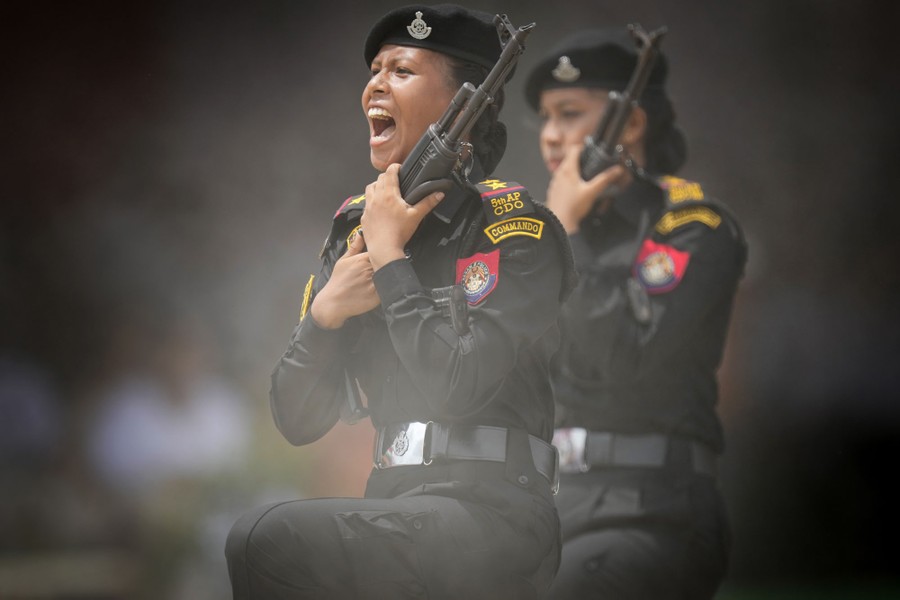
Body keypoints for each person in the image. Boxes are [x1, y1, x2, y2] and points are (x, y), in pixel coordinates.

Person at [225, 5, 576, 599]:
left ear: (462, 103)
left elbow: (457, 386)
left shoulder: (515, 229)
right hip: (394, 509)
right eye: (374, 70)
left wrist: (391, 262)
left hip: (496, 516)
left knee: (265, 539)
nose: (375, 85)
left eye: (403, 70)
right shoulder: (352, 232)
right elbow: (297, 419)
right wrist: (324, 316)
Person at [522, 26, 748, 599]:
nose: (551, 137)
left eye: (569, 113)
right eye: (545, 118)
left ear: (632, 124)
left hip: (650, 508)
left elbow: (619, 362)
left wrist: (563, 233)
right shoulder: (541, 234)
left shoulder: (694, 229)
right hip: (544, 509)